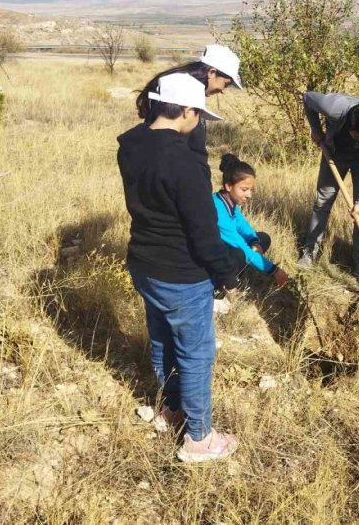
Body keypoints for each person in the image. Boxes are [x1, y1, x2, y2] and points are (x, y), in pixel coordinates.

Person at [118, 72, 239, 463]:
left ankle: (171, 410)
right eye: (198, 114)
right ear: (185, 110)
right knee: (196, 353)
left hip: (144, 264)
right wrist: (226, 275)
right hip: (181, 274)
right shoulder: (185, 164)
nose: (198, 122)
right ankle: (199, 439)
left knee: (161, 339)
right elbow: (203, 233)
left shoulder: (131, 145)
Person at [298, 91, 359, 277]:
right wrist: (316, 129)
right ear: (349, 126)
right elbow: (307, 98)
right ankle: (310, 252)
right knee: (322, 202)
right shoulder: (334, 107)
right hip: (335, 154)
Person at [135, 44, 243, 166]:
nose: (223, 90)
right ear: (212, 72)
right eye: (226, 84)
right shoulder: (179, 100)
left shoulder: (176, 92)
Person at [214, 153, 290, 288]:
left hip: (223, 250)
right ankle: (218, 288)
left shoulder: (227, 201)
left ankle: (237, 275)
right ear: (228, 186)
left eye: (251, 190)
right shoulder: (217, 209)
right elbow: (240, 244)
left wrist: (255, 242)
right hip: (206, 263)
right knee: (240, 253)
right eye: (244, 189)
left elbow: (243, 226)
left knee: (262, 238)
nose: (249, 195)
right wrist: (274, 270)